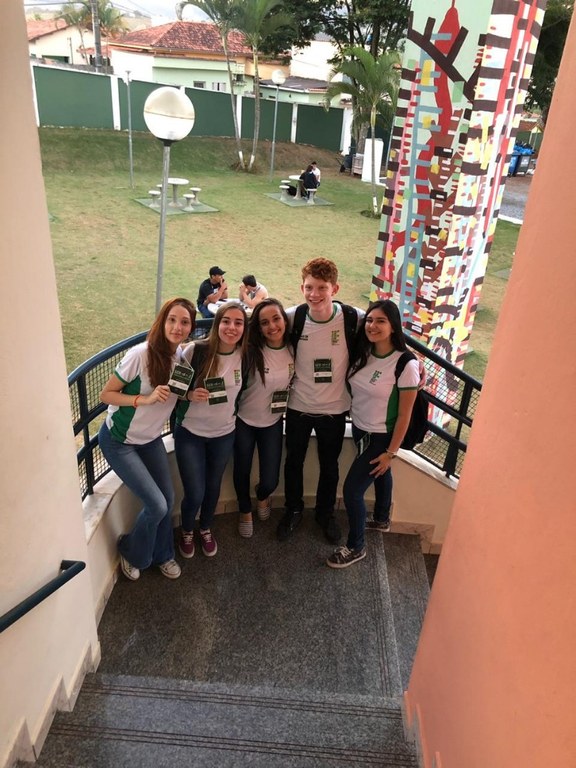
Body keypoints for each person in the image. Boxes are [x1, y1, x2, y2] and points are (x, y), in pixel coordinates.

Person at [98, 297, 196, 582]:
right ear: (162, 321)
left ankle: (164, 554)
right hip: (119, 441)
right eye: (172, 320)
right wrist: (145, 399)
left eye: (185, 322)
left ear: (191, 328)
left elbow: (176, 394)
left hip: (150, 439)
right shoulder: (139, 355)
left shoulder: (181, 359)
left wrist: (191, 395)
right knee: (157, 505)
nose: (177, 327)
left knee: (168, 499)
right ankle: (132, 552)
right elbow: (106, 395)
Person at [326, 300, 419, 569]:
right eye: (369, 320)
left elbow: (404, 415)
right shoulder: (364, 351)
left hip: (381, 437)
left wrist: (391, 452)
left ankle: (356, 547)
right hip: (360, 427)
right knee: (380, 473)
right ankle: (381, 518)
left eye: (381, 321)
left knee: (352, 491)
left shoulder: (405, 364)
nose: (372, 326)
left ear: (393, 326)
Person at [277, 258, 363, 545]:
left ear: (334, 289)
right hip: (298, 406)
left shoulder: (351, 317)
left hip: (334, 409)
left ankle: (325, 515)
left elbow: (387, 325)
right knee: (293, 462)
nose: (314, 294)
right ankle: (293, 509)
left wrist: (413, 360)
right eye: (309, 287)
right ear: (301, 287)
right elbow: (258, 327)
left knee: (330, 466)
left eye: (322, 288)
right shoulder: (294, 317)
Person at [174, 302, 247, 558]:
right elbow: (175, 387)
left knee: (213, 487)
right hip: (190, 433)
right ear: (217, 324)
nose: (232, 327)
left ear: (244, 328)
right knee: (195, 492)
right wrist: (190, 394)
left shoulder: (245, 355)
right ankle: (186, 530)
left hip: (224, 434)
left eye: (238, 322)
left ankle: (205, 528)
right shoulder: (196, 350)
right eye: (226, 321)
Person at [233, 299, 294, 538]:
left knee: (270, 480)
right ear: (258, 327)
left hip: (273, 422)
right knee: (242, 470)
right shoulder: (249, 351)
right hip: (243, 421)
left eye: (276, 319)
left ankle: (262, 495)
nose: (272, 326)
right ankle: (244, 510)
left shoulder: (294, 348)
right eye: (264, 323)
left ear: (285, 320)